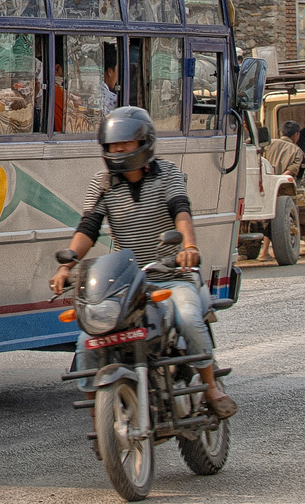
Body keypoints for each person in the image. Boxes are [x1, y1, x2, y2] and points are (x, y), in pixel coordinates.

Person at [50, 106, 238, 420]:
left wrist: (189, 246)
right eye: (111, 145)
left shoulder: (168, 174)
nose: (118, 150)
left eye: (125, 143)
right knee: (87, 339)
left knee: (189, 319)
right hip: (129, 283)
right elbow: (88, 228)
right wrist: (66, 266)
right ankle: (100, 416)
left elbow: (181, 211)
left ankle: (210, 387)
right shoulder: (103, 184)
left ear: (144, 144)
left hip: (171, 275)